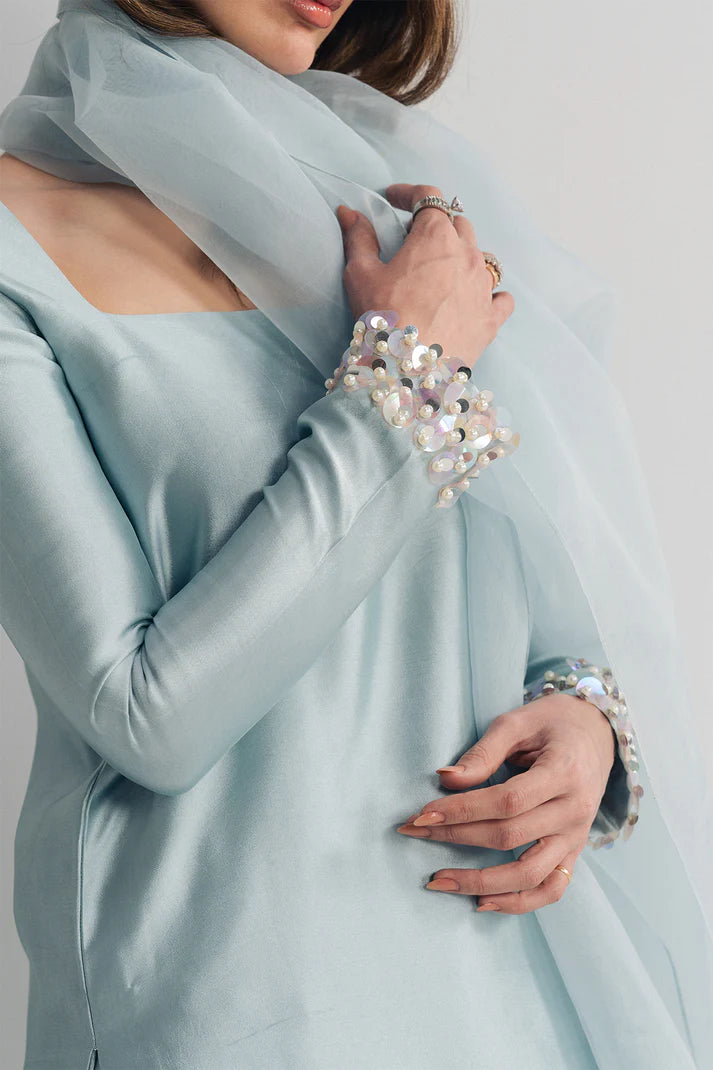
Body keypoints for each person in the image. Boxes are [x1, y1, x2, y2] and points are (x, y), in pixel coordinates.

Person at [0, 1, 711, 1067]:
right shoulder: (12, 250)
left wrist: (580, 723)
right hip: (238, 1006)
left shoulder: (395, 221)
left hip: (513, 984)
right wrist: (402, 390)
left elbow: (522, 598)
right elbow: (144, 714)